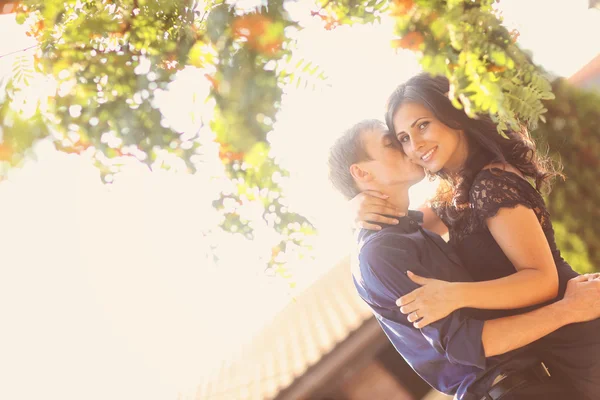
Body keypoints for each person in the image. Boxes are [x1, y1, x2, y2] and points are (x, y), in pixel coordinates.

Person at [351, 73, 600, 399]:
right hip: (550, 347)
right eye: (404, 139)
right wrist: (357, 207)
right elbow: (401, 225)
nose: (416, 146)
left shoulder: (490, 184)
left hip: (580, 336)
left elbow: (542, 279)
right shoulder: (453, 194)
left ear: (452, 114)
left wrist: (456, 295)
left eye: (422, 125)